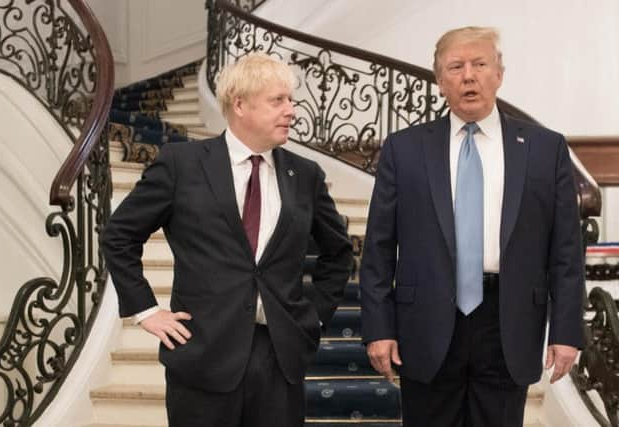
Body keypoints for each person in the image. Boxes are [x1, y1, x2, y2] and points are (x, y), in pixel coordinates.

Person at [102, 52, 353, 427]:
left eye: (291, 100)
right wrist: (146, 310)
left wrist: (312, 316)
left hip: (279, 358)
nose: (292, 111)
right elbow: (119, 234)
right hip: (201, 354)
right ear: (239, 104)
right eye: (278, 100)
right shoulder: (180, 164)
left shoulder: (306, 175)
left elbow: (339, 253)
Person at [360, 26, 584, 427]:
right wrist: (378, 327)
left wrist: (566, 331)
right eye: (456, 66)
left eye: (480, 64)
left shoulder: (544, 148)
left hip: (509, 320)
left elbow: (566, 249)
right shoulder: (404, 148)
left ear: (499, 73)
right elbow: (378, 247)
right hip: (424, 320)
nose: (469, 75)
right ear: (439, 80)